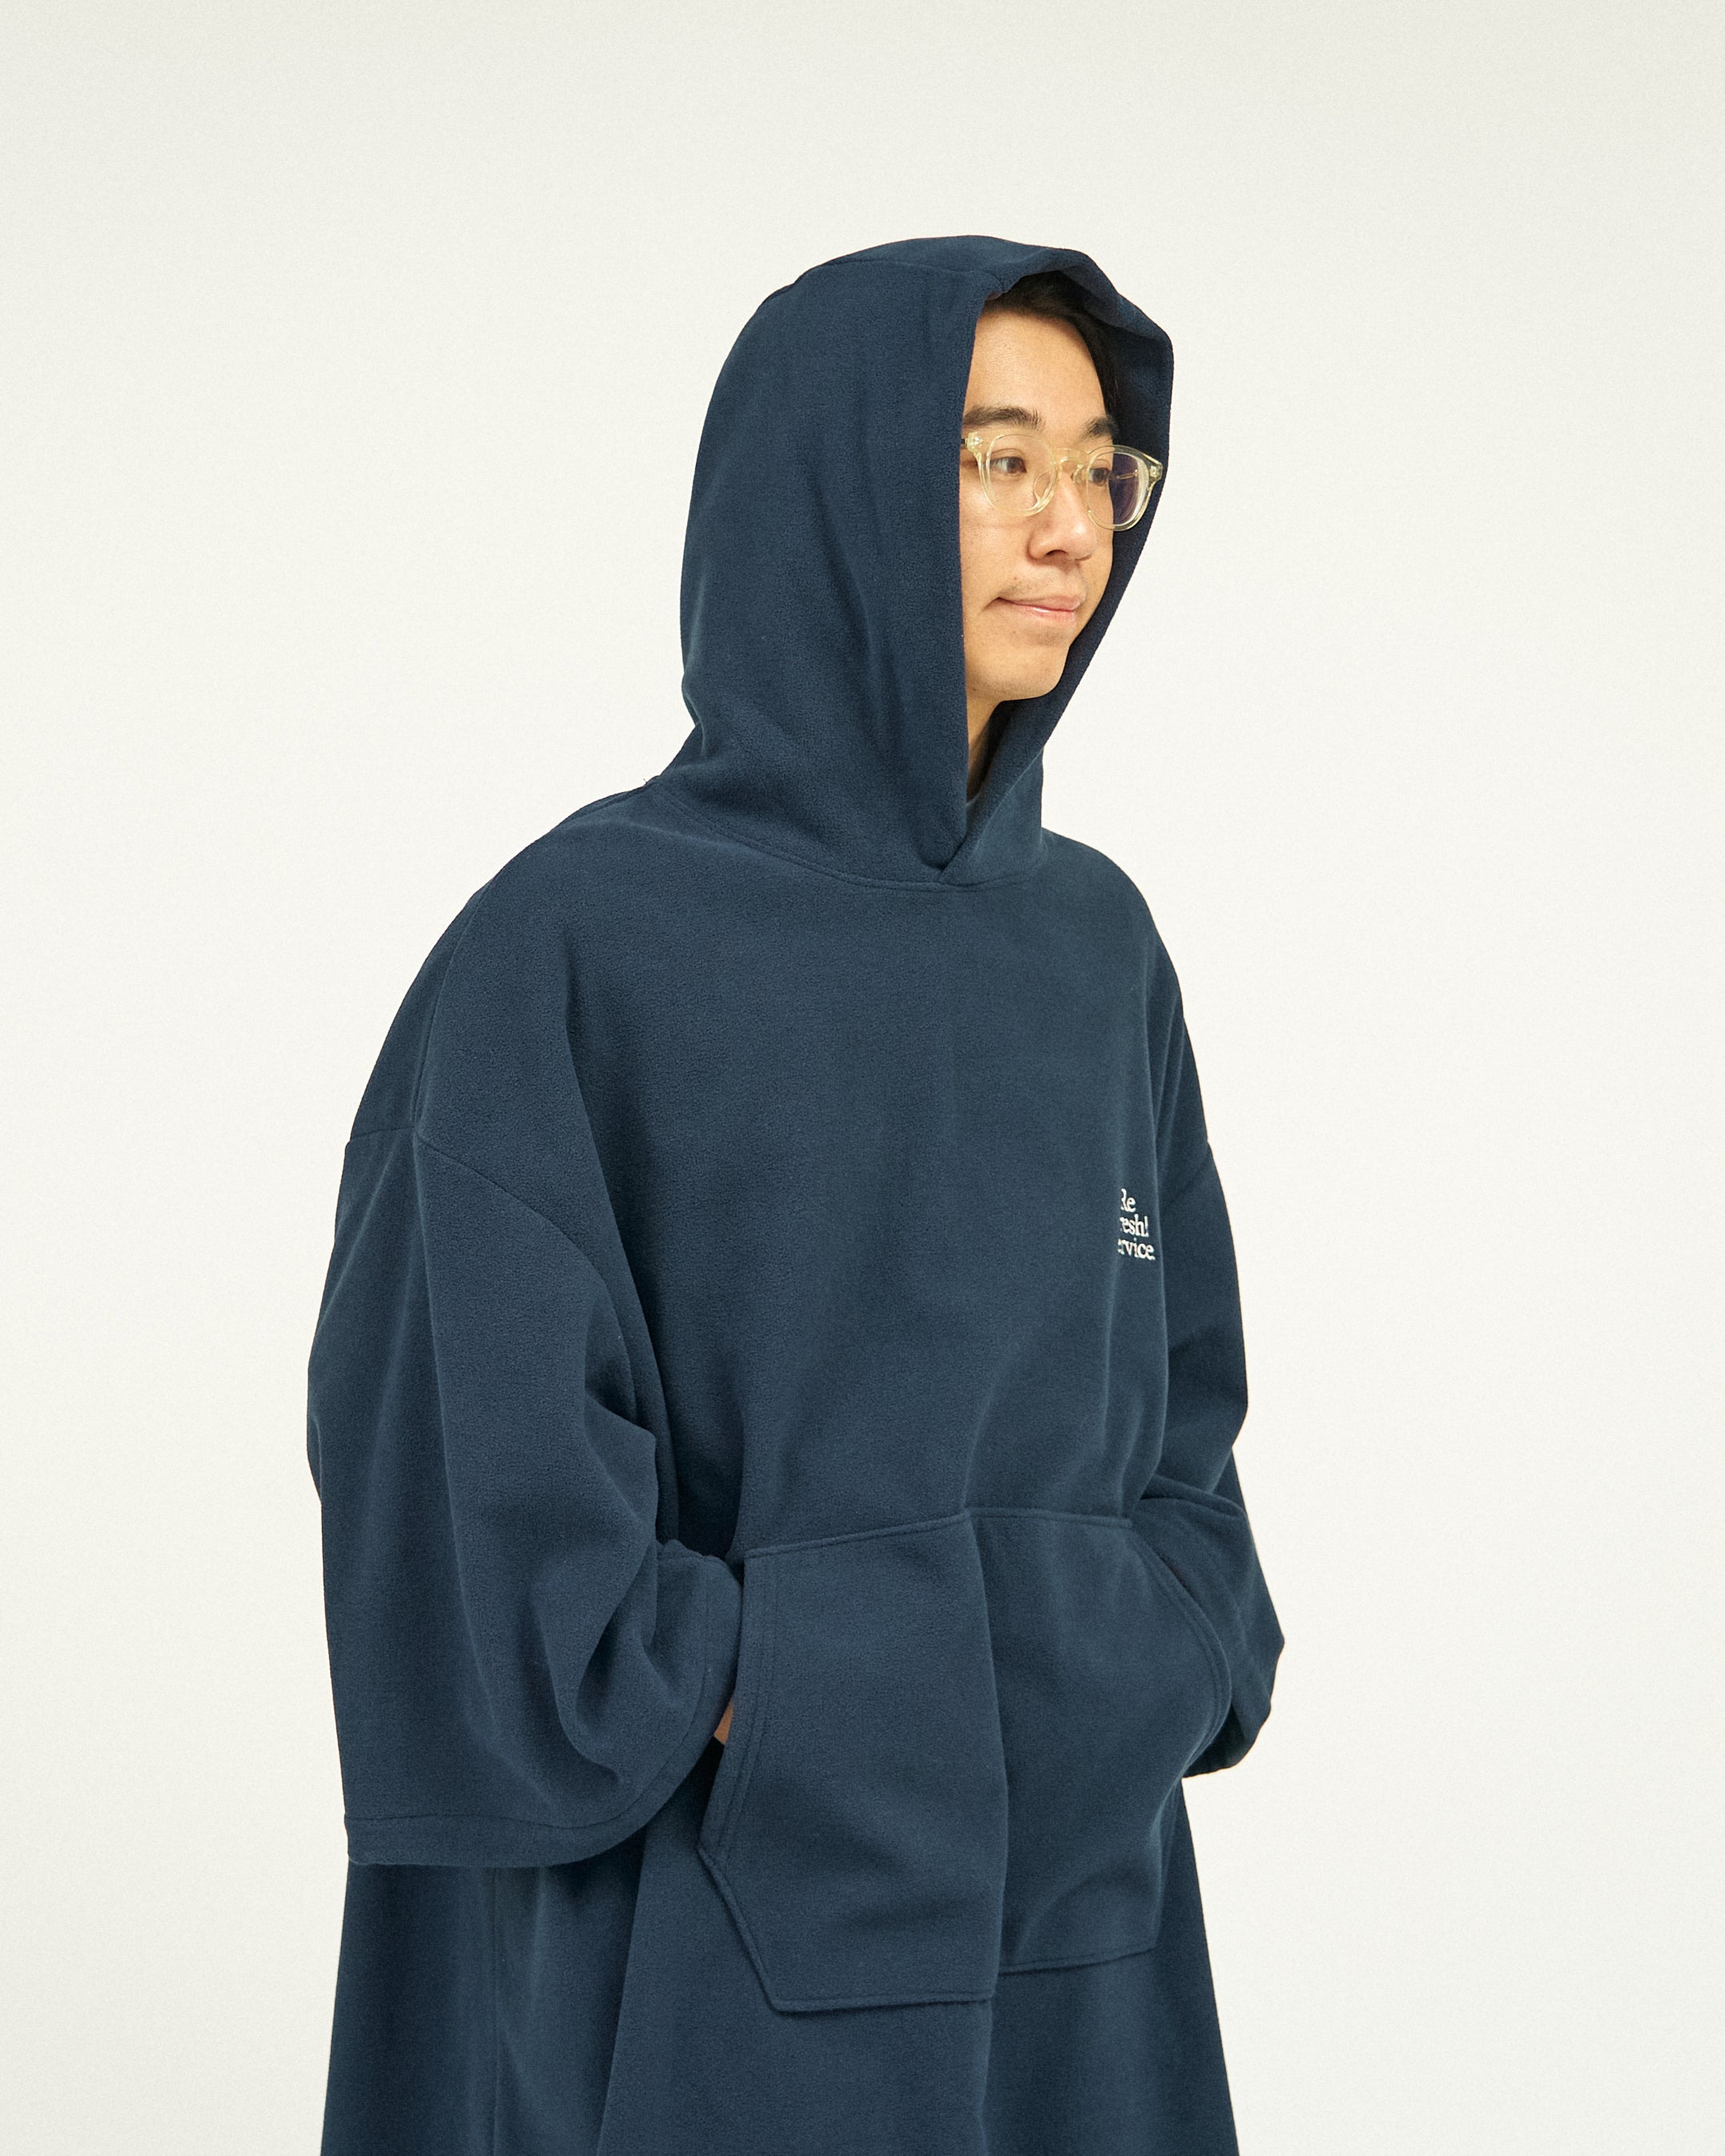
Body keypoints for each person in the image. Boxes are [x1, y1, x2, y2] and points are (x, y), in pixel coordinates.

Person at [307, 234, 1285, 2156]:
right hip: (708, 1944)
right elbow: (460, 1476)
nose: (1068, 523)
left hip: (1083, 1936)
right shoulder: (574, 947)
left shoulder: (1098, 950)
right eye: (995, 456)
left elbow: (1188, 1427)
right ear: (836, 480)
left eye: (1101, 466)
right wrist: (799, 1697)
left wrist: (1157, 1655)